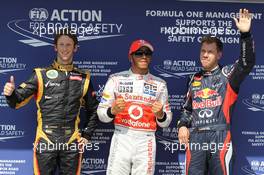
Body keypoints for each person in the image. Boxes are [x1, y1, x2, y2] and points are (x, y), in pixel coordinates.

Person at [3, 28, 98, 175]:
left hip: (71, 140)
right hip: (45, 138)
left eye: (68, 45)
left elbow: (94, 110)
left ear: (75, 48)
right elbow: (16, 102)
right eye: (61, 44)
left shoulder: (84, 78)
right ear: (55, 47)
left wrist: (87, 136)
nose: (65, 49)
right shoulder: (40, 75)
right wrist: (10, 94)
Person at [177, 9, 255, 175]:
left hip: (220, 137)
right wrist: (183, 125)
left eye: (210, 52)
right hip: (196, 138)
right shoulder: (193, 78)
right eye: (203, 51)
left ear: (219, 54)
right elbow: (187, 109)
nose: (205, 55)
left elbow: (246, 63)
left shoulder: (227, 75)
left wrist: (245, 35)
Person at [97, 39, 172, 175]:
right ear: (130, 56)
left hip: (146, 140)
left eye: (147, 53)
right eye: (139, 53)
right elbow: (101, 115)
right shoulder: (116, 79)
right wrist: (112, 111)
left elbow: (166, 122)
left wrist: (161, 114)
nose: (144, 57)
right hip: (122, 137)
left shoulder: (160, 84)